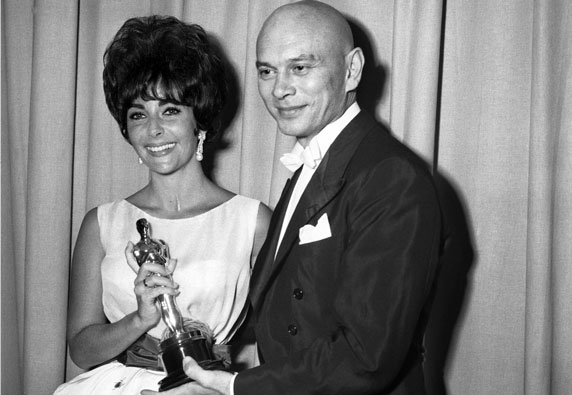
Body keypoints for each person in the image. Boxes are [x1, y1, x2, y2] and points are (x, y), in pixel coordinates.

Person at [143, 1, 442, 394]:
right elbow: (289, 313)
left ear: (351, 70)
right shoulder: (310, 168)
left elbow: (366, 357)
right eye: (267, 71)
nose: (280, 89)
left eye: (300, 68)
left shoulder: (391, 177)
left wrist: (236, 388)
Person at [54, 15, 271, 394]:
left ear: (199, 121)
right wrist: (139, 319)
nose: (153, 130)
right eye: (138, 114)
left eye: (170, 110)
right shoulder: (102, 223)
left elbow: (284, 340)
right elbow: (82, 350)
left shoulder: (251, 221)